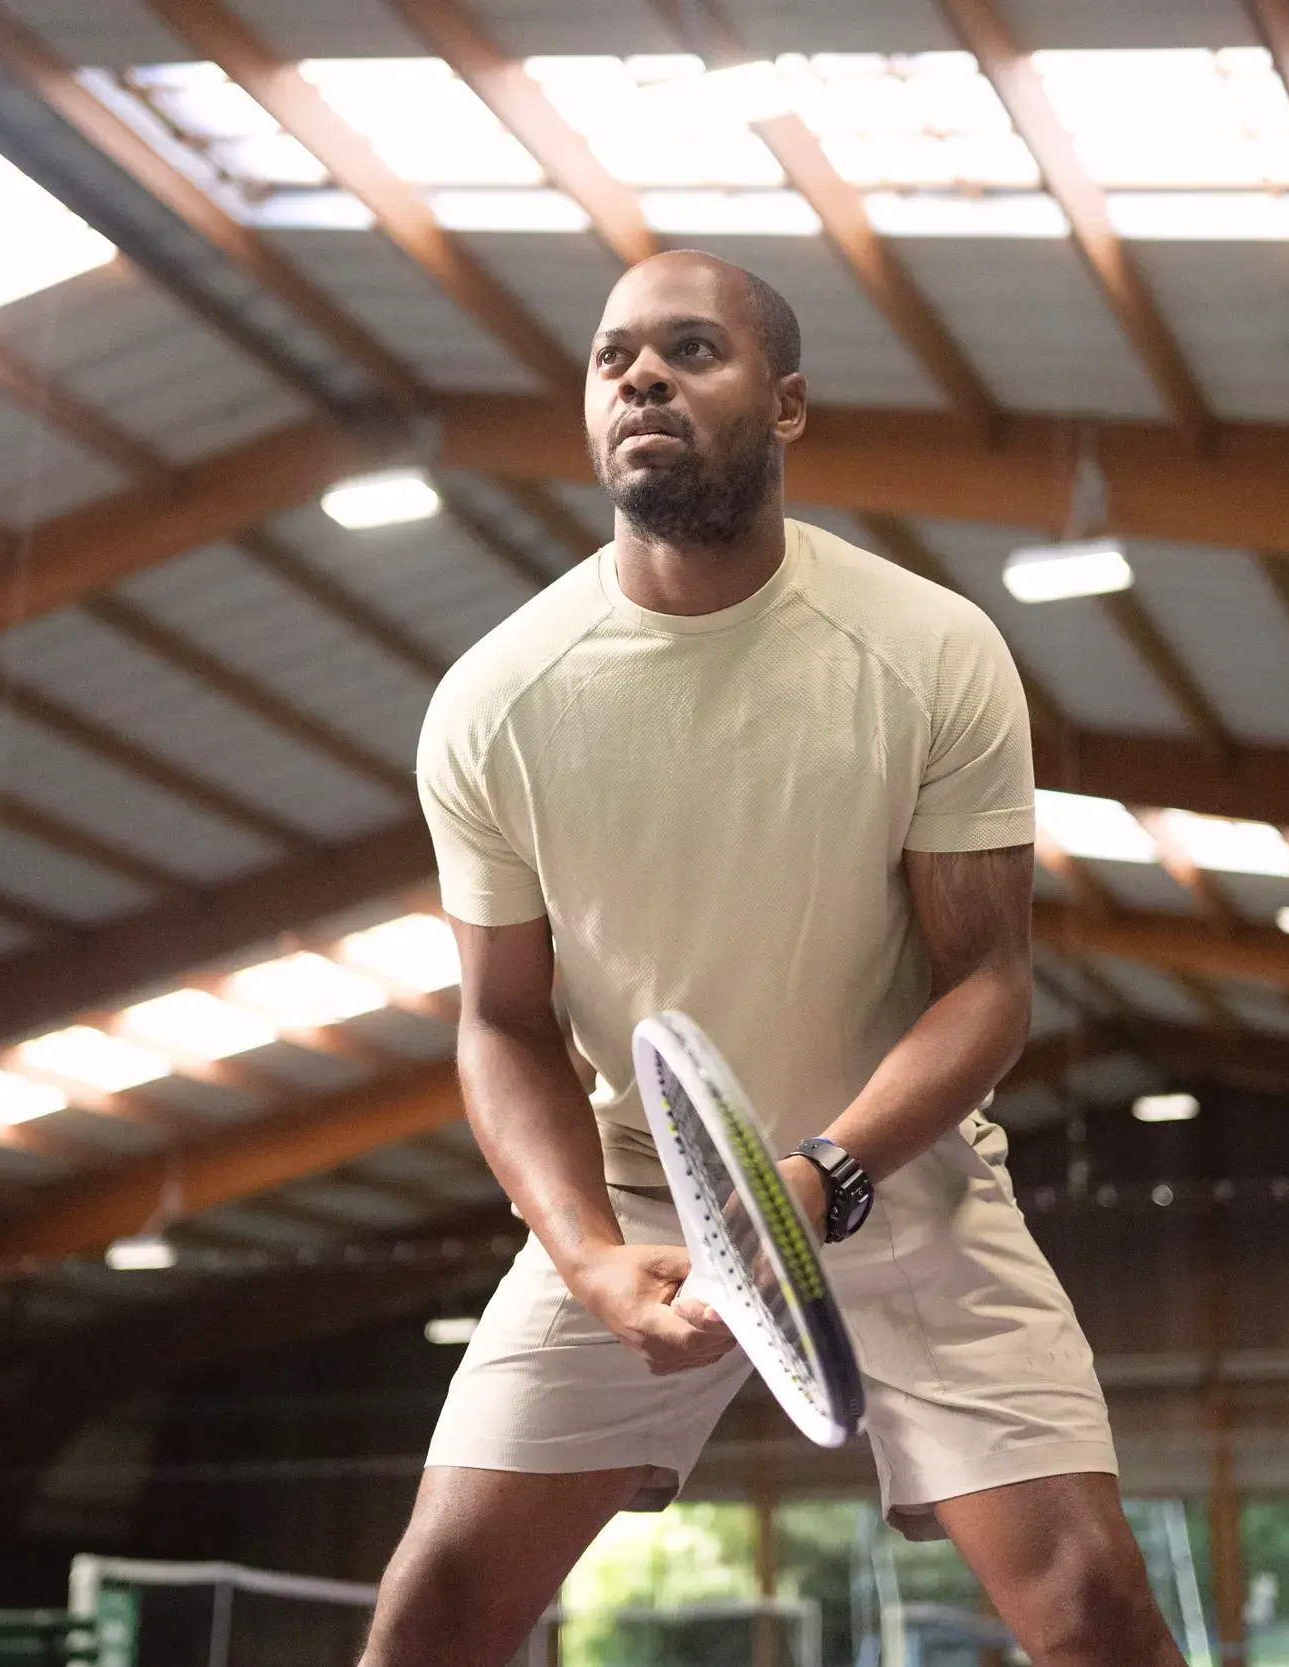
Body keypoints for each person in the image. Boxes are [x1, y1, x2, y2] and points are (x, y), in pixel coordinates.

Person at [367, 250, 1186, 1667]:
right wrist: (589, 1258)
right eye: (613, 355)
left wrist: (822, 1179)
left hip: (897, 1180)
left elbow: (987, 983)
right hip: (637, 1204)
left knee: (1092, 1607)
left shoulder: (931, 650)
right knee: (433, 1607)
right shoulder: (495, 701)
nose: (640, 377)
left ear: (788, 403)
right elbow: (500, 1024)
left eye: (690, 351)